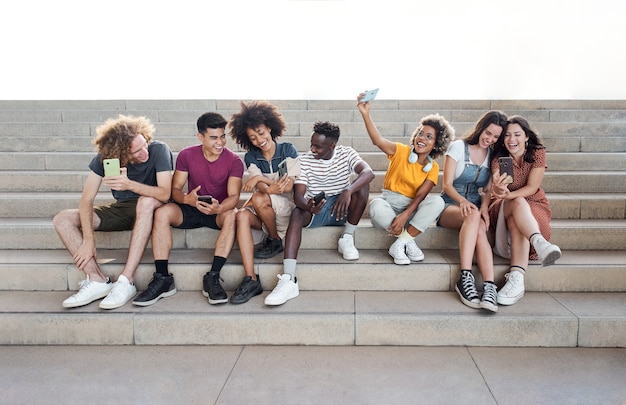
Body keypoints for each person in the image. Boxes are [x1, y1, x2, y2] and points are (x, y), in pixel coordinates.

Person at [53, 115, 173, 309]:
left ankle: (126, 280)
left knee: (145, 202)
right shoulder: (107, 158)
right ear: (121, 152)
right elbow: (86, 199)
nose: (144, 152)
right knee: (63, 219)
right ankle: (96, 279)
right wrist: (88, 239)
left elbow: (165, 193)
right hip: (122, 209)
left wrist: (129, 184)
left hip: (154, 205)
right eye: (136, 151)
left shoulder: (158, 150)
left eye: (144, 144)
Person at [132, 112, 244, 306]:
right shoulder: (186, 155)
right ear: (200, 137)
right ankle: (162, 277)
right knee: (162, 212)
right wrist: (187, 199)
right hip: (191, 207)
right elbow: (174, 190)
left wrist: (219, 208)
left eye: (223, 136)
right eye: (214, 137)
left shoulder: (234, 161)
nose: (220, 142)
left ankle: (213, 276)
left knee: (231, 215)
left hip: (217, 211)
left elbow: (234, 197)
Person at [264, 121, 375, 306]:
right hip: (316, 209)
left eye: (318, 146)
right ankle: (289, 279)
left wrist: (348, 191)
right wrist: (309, 207)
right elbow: (298, 196)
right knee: (297, 213)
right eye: (311, 144)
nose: (312, 149)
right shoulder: (305, 160)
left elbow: (369, 172)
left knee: (363, 187)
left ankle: (347, 237)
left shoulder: (346, 153)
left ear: (332, 146)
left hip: (342, 208)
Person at [356, 94, 454, 265]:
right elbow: (377, 140)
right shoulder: (400, 151)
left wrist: (405, 215)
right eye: (421, 133)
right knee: (376, 206)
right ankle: (408, 239)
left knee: (438, 202)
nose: (422, 138)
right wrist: (365, 113)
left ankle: (399, 243)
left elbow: (420, 196)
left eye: (429, 137)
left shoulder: (433, 168)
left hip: (411, 212)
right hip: (388, 209)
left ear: (437, 144)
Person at [227, 100, 299, 304]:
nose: (259, 139)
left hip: (285, 211)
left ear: (269, 127)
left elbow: (289, 187)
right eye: (253, 137)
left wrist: (259, 179)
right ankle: (250, 278)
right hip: (264, 212)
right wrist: (265, 184)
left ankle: (275, 240)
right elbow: (267, 190)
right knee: (241, 214)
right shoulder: (251, 156)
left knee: (258, 198)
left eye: (260, 132)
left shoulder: (288, 150)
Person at [438, 110, 508, 312]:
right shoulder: (458, 147)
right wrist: (462, 202)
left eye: (495, 137)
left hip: (476, 206)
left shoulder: (492, 156)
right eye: (488, 133)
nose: (490, 139)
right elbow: (447, 184)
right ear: (480, 128)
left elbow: (486, 190)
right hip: (450, 204)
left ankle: (489, 287)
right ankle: (465, 276)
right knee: (473, 215)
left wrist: (485, 209)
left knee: (479, 228)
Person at [489, 115, 562, 306]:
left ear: (526, 137)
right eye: (507, 135)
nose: (511, 139)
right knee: (517, 204)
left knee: (517, 219)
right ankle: (539, 242)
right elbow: (497, 187)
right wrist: (500, 190)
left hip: (534, 203)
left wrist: (511, 196)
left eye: (517, 135)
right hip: (502, 206)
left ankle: (517, 279)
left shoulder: (537, 152)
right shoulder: (499, 158)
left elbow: (532, 187)